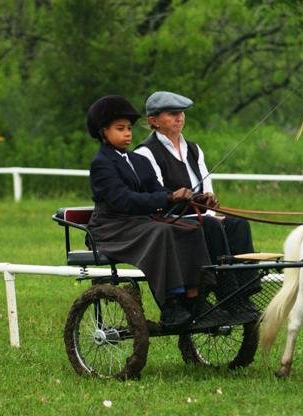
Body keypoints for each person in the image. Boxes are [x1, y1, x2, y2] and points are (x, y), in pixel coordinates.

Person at [85, 94, 214, 327]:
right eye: (120, 128)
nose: (127, 134)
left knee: (191, 227)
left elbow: (159, 192)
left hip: (139, 223)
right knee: (161, 232)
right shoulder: (102, 163)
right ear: (103, 132)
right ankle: (171, 303)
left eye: (129, 128)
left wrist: (196, 199)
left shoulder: (137, 160)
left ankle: (196, 296)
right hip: (112, 228)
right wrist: (167, 196)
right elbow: (123, 200)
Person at [134, 90, 259, 316]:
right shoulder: (145, 153)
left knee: (237, 224)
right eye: (171, 114)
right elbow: (158, 194)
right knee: (210, 227)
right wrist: (197, 210)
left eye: (181, 113)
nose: (179, 117)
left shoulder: (193, 148)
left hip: (198, 216)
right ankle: (224, 292)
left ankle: (242, 293)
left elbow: (205, 186)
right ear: (153, 121)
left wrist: (210, 205)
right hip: (169, 218)